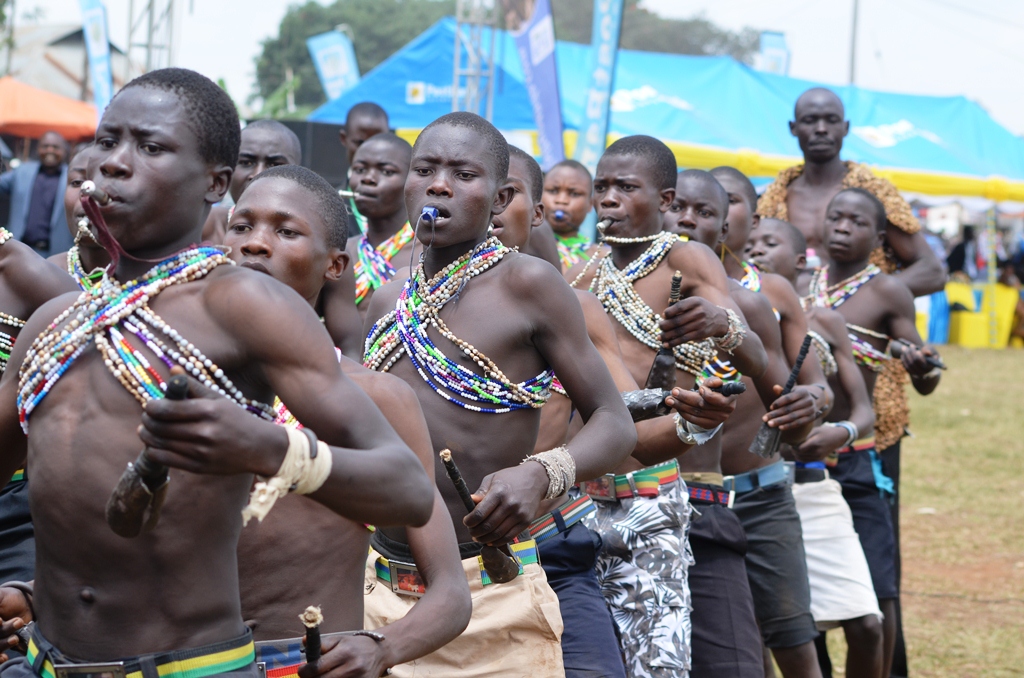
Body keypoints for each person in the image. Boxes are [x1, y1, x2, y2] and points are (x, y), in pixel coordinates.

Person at [0, 68, 433, 678]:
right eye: (107, 141)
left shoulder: (243, 307)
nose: (116, 163)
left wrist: (266, 446)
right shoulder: (53, 322)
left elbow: (407, 488)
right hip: (44, 662)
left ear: (216, 181)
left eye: (150, 147)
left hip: (188, 667)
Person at [362, 112, 637, 676]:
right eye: (426, 169)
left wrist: (541, 472)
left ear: (500, 197)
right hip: (377, 594)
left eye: (464, 174)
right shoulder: (384, 300)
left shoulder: (529, 285)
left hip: (492, 593)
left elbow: (614, 422)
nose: (439, 185)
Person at [221, 164, 470, 678]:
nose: (255, 244)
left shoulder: (375, 399)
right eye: (241, 226)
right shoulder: (162, 377)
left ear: (335, 265)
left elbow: (450, 593)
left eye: (286, 231)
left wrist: (382, 647)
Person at [566, 137, 767, 678]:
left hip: (665, 487)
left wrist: (720, 323)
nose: (608, 199)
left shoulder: (687, 257)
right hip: (588, 498)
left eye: (625, 188)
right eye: (601, 187)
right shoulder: (578, 274)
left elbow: (753, 354)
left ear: (666, 199)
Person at [759, 92, 945, 673]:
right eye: (808, 120)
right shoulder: (779, 191)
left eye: (829, 120)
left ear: (845, 127)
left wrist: (868, 306)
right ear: (793, 128)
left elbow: (931, 267)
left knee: (874, 565)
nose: (818, 129)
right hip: (801, 422)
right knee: (806, 562)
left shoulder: (872, 186)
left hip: (869, 419)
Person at [667, 169, 827, 678]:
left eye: (709, 210)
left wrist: (810, 405)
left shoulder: (757, 304)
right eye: (680, 207)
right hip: (659, 498)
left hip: (755, 496)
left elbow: (796, 411)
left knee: (788, 639)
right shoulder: (604, 295)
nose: (689, 220)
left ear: (730, 229)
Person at [804, 188, 943, 677]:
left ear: (879, 237)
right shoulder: (798, 283)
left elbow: (925, 376)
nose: (842, 227)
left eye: (857, 222)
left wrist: (922, 366)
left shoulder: (887, 291)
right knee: (804, 605)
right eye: (835, 217)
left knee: (878, 593)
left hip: (858, 457)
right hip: (800, 462)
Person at [748, 217, 886, 678]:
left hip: (813, 484)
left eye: (770, 243)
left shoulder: (823, 319)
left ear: (803, 260)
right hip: (762, 485)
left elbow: (863, 409)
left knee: (866, 622)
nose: (758, 250)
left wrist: (841, 431)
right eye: (750, 243)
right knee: (771, 634)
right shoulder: (729, 308)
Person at [345, 133, 417, 315]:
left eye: (386, 172)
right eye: (359, 170)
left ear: (412, 181)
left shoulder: (427, 255)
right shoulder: (343, 253)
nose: (368, 178)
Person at [202, 120, 303, 244]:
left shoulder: (312, 237)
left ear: (299, 176)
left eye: (274, 165)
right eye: (246, 163)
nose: (257, 174)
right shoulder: (202, 227)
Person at [49, 144, 112, 290]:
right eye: (77, 182)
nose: (87, 191)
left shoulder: (162, 287)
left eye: (105, 180)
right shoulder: (45, 275)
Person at [0, 132, 73, 258]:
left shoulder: (73, 177)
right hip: (18, 248)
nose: (50, 150)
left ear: (64, 151)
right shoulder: (22, 171)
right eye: (45, 146)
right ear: (38, 149)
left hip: (55, 254)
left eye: (55, 147)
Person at [339, 103, 390, 234]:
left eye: (377, 141)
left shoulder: (408, 206)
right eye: (360, 143)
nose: (369, 151)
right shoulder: (327, 204)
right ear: (344, 139)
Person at [542, 159, 596, 270]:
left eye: (574, 194)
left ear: (590, 204)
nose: (561, 200)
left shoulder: (601, 257)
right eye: (553, 191)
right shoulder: (523, 246)